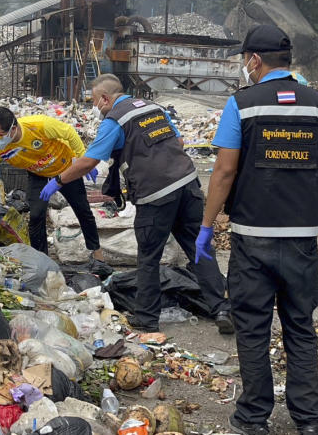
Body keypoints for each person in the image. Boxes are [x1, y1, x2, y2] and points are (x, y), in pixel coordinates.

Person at [195, 25, 318, 435]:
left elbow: (224, 170)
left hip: (252, 238)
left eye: (244, 60)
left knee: (252, 326)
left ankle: (253, 418)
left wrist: (207, 225)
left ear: (254, 60)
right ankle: (309, 419)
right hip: (301, 238)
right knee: (300, 325)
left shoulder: (242, 104)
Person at [44, 74, 234, 335]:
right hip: (188, 183)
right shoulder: (153, 108)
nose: (96, 107)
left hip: (156, 195)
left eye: (95, 101)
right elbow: (178, 142)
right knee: (198, 248)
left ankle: (146, 318)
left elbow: (88, 162)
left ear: (105, 98)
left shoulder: (114, 120)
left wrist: (58, 181)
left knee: (149, 257)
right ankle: (222, 308)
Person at [0, 107, 103, 261]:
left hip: (65, 168)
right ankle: (42, 259)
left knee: (82, 210)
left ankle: (97, 253)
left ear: (13, 128)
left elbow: (69, 133)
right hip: (38, 173)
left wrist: (83, 159)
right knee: (36, 215)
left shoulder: (39, 125)